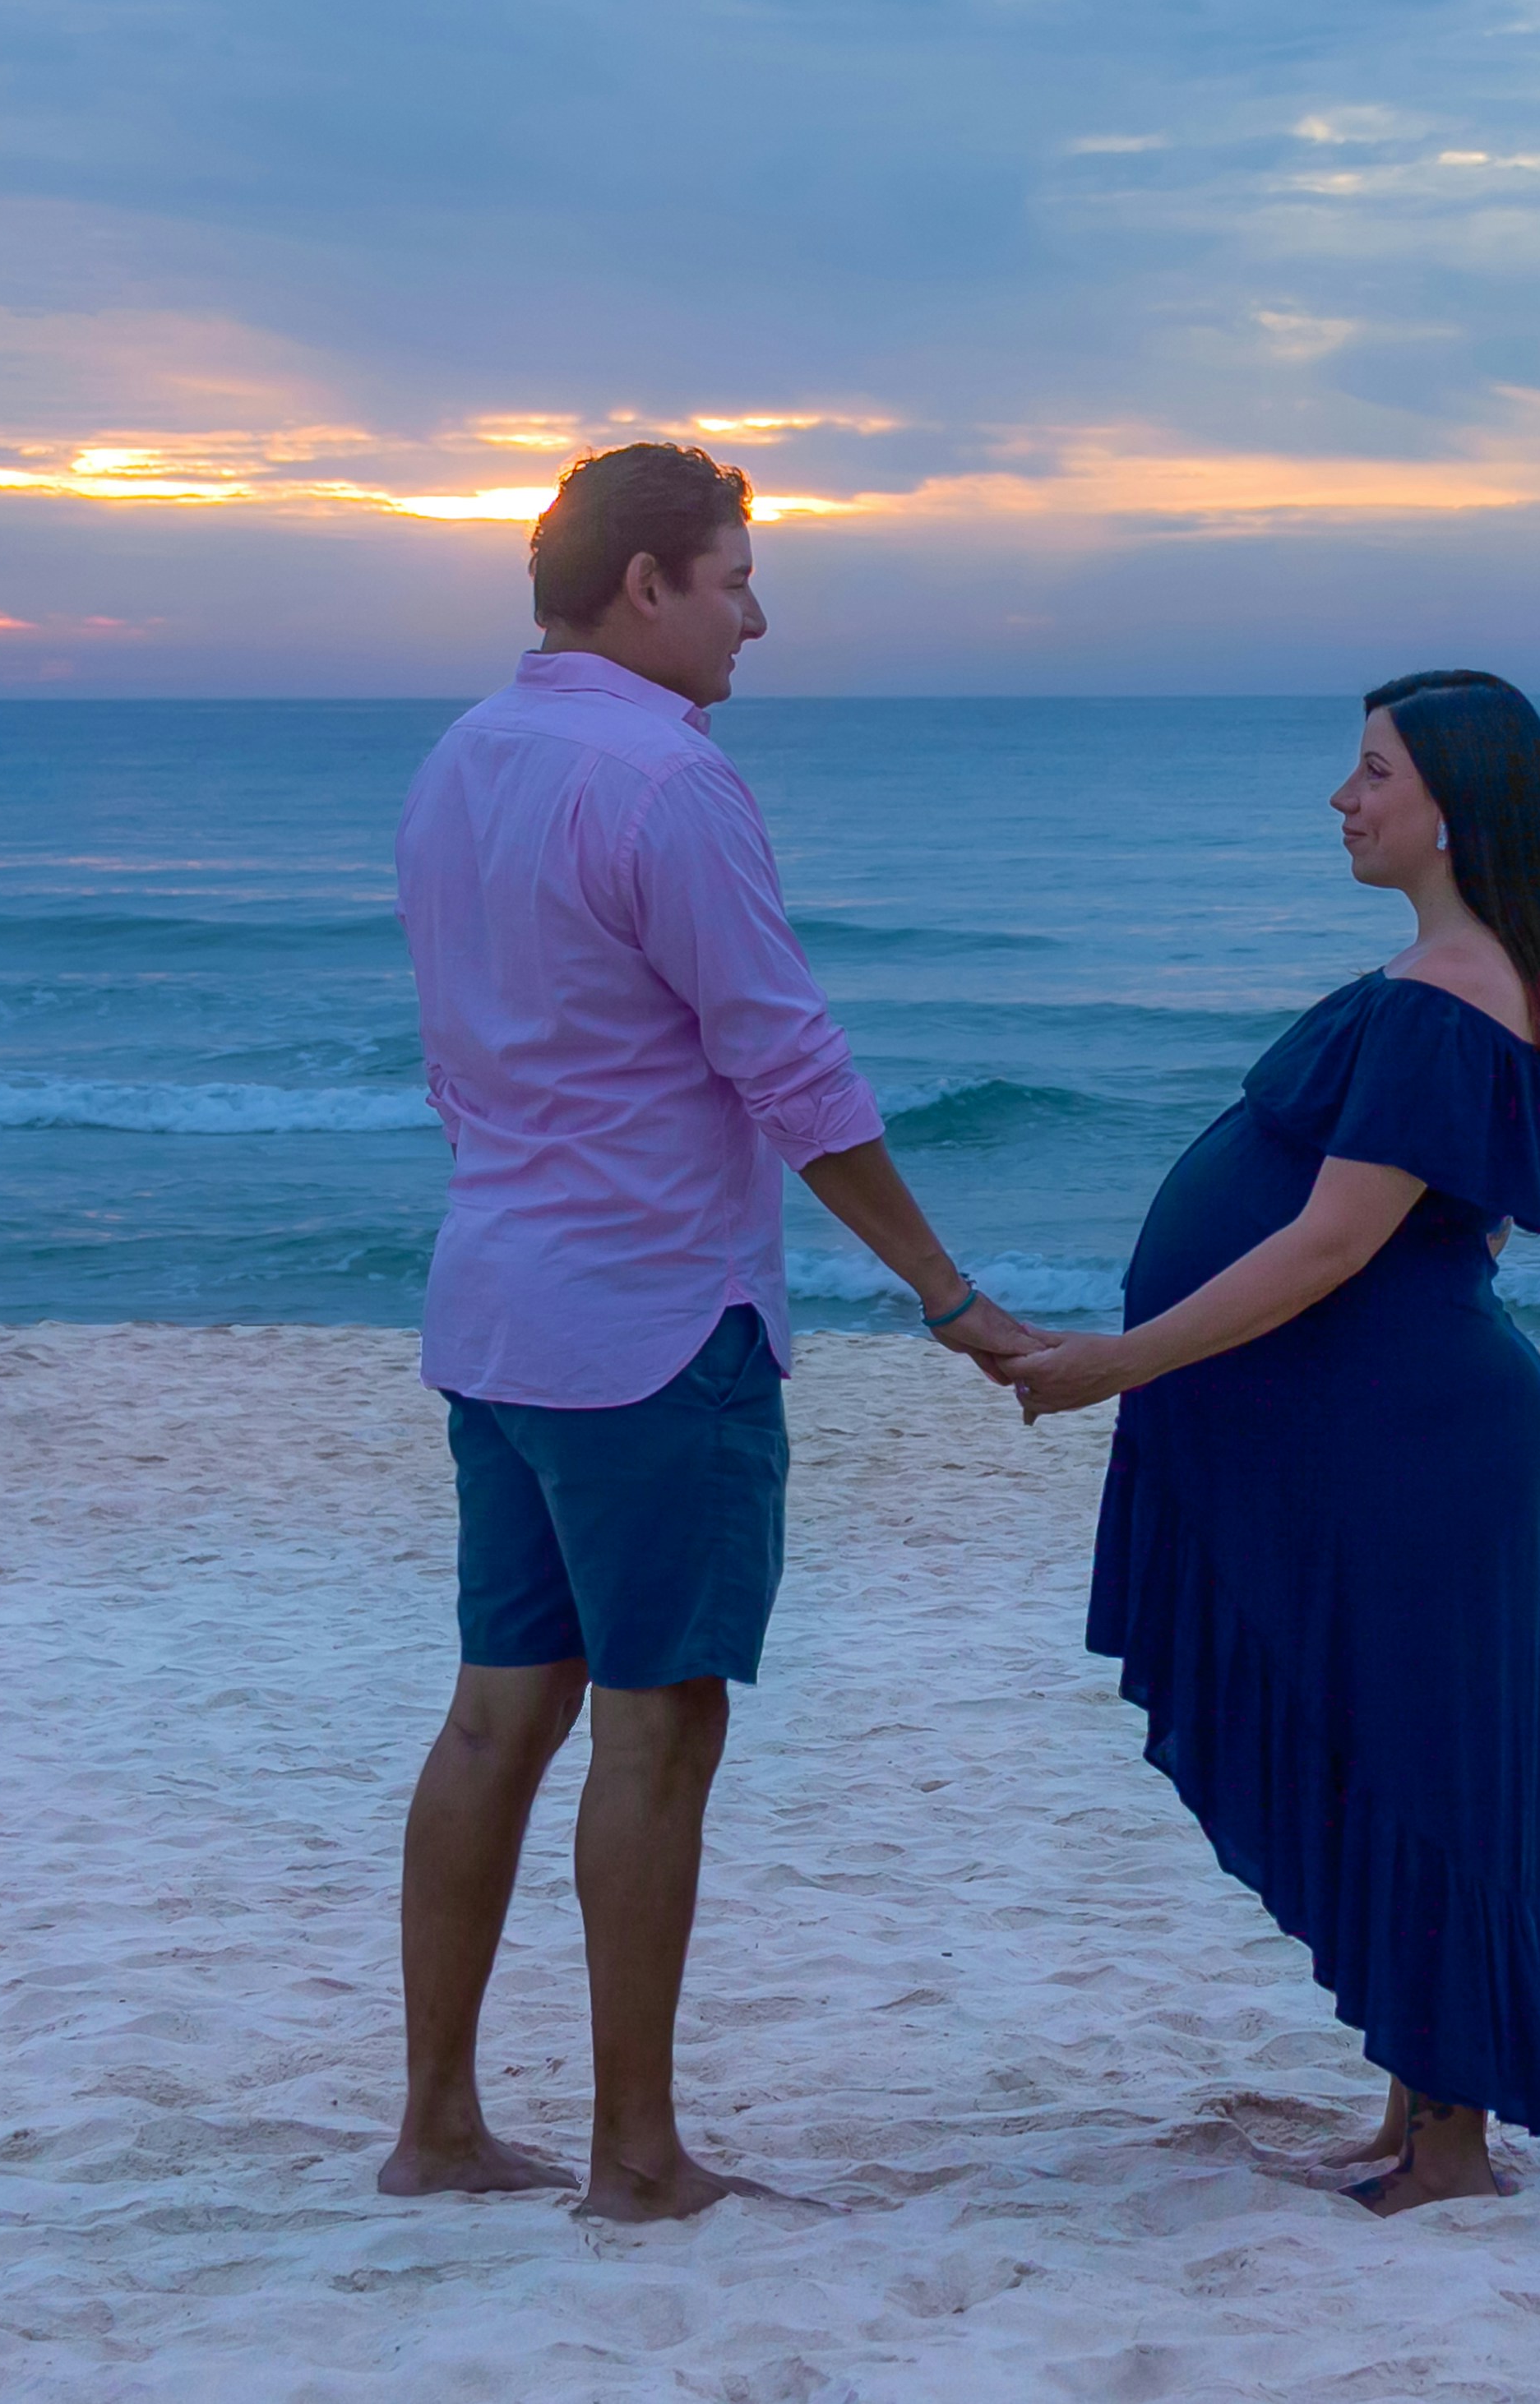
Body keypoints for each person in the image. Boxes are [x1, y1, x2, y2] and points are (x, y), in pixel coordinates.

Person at [381, 441, 1037, 2221]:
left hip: (503, 1304)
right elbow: (789, 1061)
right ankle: (636, 2155)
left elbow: (462, 1048)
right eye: (735, 576)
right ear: (645, 582)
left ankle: (436, 2124)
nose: (759, 611)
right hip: (657, 1322)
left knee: (491, 1717)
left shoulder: (461, 762)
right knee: (654, 1728)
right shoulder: (668, 782)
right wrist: (945, 1288)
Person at [1005, 670, 1540, 2215]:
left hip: (1415, 1440)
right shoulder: (1455, 970)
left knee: (1430, 1766)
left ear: (1453, 804)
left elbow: (1335, 1244)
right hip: (1387, 1430)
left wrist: (1119, 1363)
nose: (1344, 799)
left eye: (1373, 772)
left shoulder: (1452, 988)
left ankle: (1454, 2145)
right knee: (1390, 1746)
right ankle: (1416, 2112)